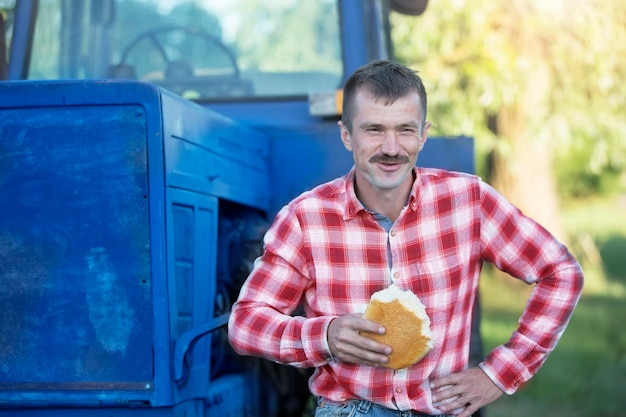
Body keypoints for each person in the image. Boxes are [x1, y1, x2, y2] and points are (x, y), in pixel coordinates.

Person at [227, 60, 584, 417]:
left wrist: (498, 375)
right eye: (374, 130)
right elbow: (246, 325)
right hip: (348, 409)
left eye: (405, 130)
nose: (392, 147)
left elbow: (561, 273)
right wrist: (325, 336)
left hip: (440, 409)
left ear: (424, 134)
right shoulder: (305, 219)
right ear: (346, 134)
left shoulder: (469, 201)